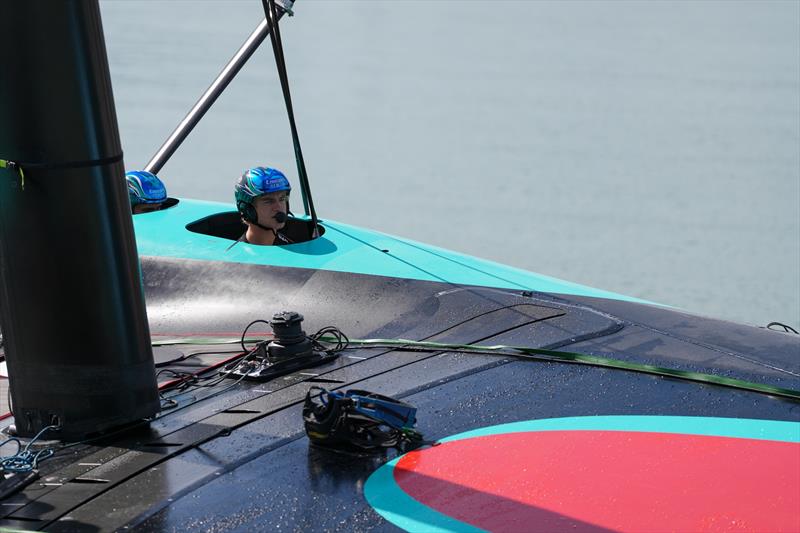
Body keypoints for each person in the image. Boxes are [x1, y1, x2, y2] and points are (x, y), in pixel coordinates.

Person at [234, 166, 293, 246]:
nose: (278, 207)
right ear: (248, 210)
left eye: (282, 198)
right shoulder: (235, 257)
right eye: (269, 201)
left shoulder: (295, 248)